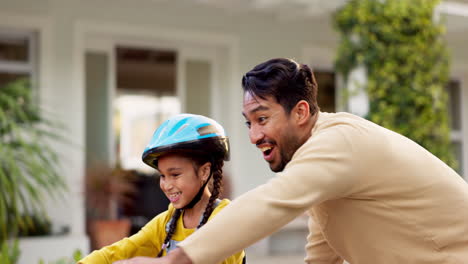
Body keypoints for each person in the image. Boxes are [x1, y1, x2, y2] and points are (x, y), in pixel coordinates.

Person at [117, 58, 468, 264]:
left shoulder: (339, 142)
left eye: (263, 118)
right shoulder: (319, 163)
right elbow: (323, 248)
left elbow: (272, 202)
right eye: (248, 123)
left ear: (301, 112)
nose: (253, 136)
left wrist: (177, 260)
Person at [78, 114, 246, 264]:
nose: (166, 185)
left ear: (204, 171)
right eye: (162, 176)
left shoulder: (225, 219)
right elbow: (120, 251)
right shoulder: (167, 222)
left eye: (175, 175)